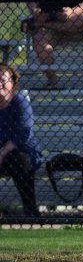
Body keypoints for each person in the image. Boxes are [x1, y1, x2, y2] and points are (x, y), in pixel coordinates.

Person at [23, 0, 83, 88]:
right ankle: (53, 83)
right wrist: (35, 10)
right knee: (39, 38)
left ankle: (38, 23)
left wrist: (72, 12)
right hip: (50, 23)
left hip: (75, 23)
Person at [0, 63, 42, 217]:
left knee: (19, 159)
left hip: (21, 154)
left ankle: (30, 210)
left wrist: (2, 153)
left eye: (3, 80)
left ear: (13, 83)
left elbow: (22, 134)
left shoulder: (20, 102)